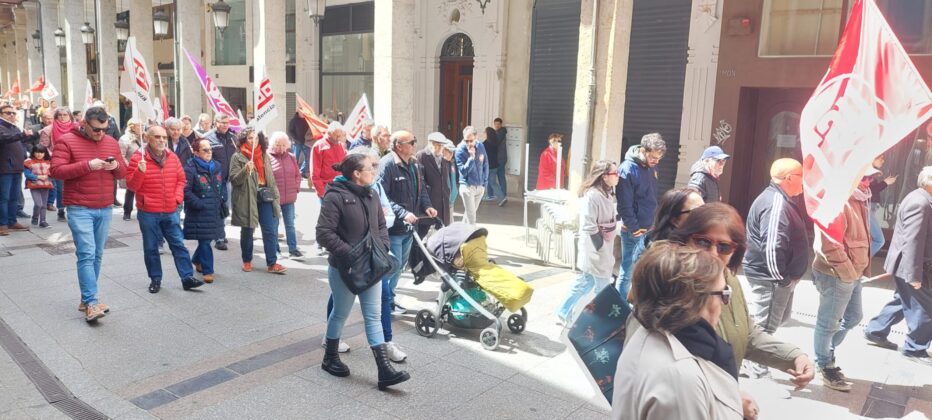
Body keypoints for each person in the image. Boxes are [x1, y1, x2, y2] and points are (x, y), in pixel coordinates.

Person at [667, 203, 814, 409]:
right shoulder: (669, 287)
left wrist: (794, 356)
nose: (713, 253)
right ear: (685, 240)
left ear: (734, 251)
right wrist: (730, 397)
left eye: (723, 247)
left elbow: (747, 334)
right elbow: (671, 370)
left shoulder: (730, 281)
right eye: (703, 242)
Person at [612, 242, 742, 420]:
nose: (724, 305)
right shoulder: (680, 378)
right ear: (693, 299)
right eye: (724, 295)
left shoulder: (652, 333)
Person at [316, 152, 411, 390]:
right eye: (370, 168)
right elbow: (324, 233)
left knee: (373, 315)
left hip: (372, 266)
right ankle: (330, 358)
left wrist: (382, 248)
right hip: (344, 268)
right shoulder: (335, 196)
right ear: (357, 174)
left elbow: (381, 225)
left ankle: (384, 370)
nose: (374, 171)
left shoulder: (372, 193)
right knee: (340, 313)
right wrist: (350, 254)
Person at [49, 106, 127, 322]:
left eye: (105, 129)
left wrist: (115, 166)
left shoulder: (111, 142)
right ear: (84, 124)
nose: (101, 133)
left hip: (105, 206)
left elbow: (122, 172)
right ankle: (91, 302)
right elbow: (56, 171)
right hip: (79, 206)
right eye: (96, 129)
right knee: (86, 253)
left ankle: (87, 299)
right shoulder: (66, 140)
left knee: (97, 254)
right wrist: (87, 165)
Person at [742, 158, 811, 379]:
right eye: (802, 177)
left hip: (775, 277)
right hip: (770, 277)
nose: (805, 182)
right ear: (789, 178)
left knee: (775, 320)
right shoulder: (776, 203)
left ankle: (746, 359)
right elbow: (772, 246)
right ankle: (758, 371)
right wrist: (781, 279)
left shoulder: (780, 199)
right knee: (766, 327)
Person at [864, 166, 932, 366]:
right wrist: (914, 275)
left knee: (903, 300)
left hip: (910, 265)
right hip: (913, 266)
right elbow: (913, 241)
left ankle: (876, 330)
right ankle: (914, 348)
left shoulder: (921, 199)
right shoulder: (920, 203)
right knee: (925, 308)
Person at [811, 174, 871, 391]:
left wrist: (858, 271)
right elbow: (830, 245)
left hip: (852, 273)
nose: (868, 181)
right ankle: (823, 363)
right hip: (838, 274)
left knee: (854, 316)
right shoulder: (836, 199)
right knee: (828, 323)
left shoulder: (859, 198)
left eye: (870, 177)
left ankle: (825, 351)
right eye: (864, 175)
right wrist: (847, 272)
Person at [126, 125, 203, 294]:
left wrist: (177, 198)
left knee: (178, 245)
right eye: (157, 137)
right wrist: (139, 171)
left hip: (170, 210)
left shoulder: (172, 157)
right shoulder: (139, 158)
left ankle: (187, 278)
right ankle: (155, 279)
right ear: (147, 138)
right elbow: (131, 186)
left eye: (164, 137)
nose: (162, 140)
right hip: (148, 212)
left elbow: (181, 180)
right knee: (151, 248)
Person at [379, 130, 437, 323]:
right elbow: (382, 197)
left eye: (414, 141)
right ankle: (384, 301)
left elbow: (421, 190)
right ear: (399, 146)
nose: (415, 145)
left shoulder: (414, 164)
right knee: (393, 266)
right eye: (411, 142)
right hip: (394, 228)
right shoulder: (387, 165)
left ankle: (389, 298)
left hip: (410, 228)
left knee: (400, 266)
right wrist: (403, 213)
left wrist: (427, 206)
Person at [556, 160, 618, 324]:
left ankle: (563, 312)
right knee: (602, 288)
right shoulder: (592, 196)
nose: (618, 176)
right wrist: (601, 246)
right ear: (604, 177)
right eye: (615, 173)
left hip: (601, 248)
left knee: (585, 282)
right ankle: (600, 322)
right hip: (594, 249)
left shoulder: (607, 194)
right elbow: (589, 225)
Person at [615, 132, 665, 299]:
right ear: (643, 150)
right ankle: (620, 306)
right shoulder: (627, 169)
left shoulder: (652, 168)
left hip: (648, 227)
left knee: (643, 271)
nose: (656, 162)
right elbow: (624, 205)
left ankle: (633, 303)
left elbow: (650, 197)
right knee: (627, 272)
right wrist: (635, 229)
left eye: (659, 158)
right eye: (653, 157)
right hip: (633, 230)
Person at [229, 128, 286, 274]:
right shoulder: (237, 157)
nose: (253, 141)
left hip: (265, 196)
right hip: (247, 197)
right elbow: (234, 180)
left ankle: (272, 263)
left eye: (255, 138)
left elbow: (270, 178)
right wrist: (245, 170)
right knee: (248, 230)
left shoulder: (265, 155)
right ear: (244, 140)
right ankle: (247, 261)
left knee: (270, 230)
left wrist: (276, 196)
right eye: (249, 138)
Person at [183, 137, 226, 285]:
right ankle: (208, 271)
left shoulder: (217, 166)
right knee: (205, 241)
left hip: (215, 209)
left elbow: (222, 184)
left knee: (209, 238)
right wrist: (200, 204)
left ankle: (196, 259)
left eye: (210, 149)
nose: (209, 152)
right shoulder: (190, 168)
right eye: (205, 150)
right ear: (196, 152)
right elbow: (186, 191)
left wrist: (223, 197)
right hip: (200, 211)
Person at [634, 187, 705, 261]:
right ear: (675, 220)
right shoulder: (665, 258)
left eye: (705, 209)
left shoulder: (705, 239)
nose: (704, 215)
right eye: (696, 211)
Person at [0, 103, 35, 235]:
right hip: (4, 168)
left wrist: (28, 141)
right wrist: (22, 135)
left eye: (13, 113)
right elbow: (5, 138)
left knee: (14, 197)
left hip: (16, 167)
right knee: (3, 198)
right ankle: (2, 224)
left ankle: (12, 221)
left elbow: (20, 143)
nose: (12, 115)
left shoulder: (14, 127)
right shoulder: (1, 127)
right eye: (8, 113)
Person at [203, 114, 237, 250]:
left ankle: (219, 231)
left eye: (227, 122)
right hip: (214, 180)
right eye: (222, 122)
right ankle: (219, 238)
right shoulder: (208, 138)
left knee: (224, 208)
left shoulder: (233, 138)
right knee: (218, 208)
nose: (225, 125)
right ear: (215, 122)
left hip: (229, 179)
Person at [269, 132, 303, 259]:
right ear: (273, 144)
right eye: (278, 145)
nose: (281, 148)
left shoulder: (291, 157)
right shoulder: (267, 157)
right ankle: (275, 249)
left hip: (289, 197)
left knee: (290, 224)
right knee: (274, 225)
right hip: (274, 198)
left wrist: (296, 187)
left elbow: (297, 175)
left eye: (284, 145)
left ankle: (293, 249)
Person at [416, 132, 454, 226]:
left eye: (442, 146)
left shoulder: (442, 157)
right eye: (438, 145)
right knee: (428, 229)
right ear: (431, 144)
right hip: (430, 202)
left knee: (443, 228)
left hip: (443, 202)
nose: (441, 148)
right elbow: (420, 181)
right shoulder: (422, 155)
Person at [44, 107, 74, 221]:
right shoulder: (48, 129)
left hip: (74, 161)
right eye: (60, 115)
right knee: (61, 188)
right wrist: (53, 155)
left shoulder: (76, 128)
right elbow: (43, 147)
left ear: (69, 116)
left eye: (65, 115)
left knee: (74, 187)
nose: (62, 117)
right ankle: (61, 210)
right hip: (58, 161)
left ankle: (73, 209)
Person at [454, 126, 489, 225]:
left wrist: (484, 183)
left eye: (471, 141)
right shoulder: (459, 150)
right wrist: (471, 158)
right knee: (472, 219)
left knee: (468, 216)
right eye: (466, 141)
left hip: (480, 186)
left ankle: (460, 232)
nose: (469, 143)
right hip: (468, 187)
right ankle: (473, 234)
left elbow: (486, 164)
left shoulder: (480, 146)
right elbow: (463, 171)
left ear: (476, 138)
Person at [866, 155, 897, 257]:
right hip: (867, 208)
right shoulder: (867, 173)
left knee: (870, 238)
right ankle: (862, 261)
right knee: (879, 240)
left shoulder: (871, 172)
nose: (883, 161)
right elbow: (870, 191)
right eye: (880, 158)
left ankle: (862, 260)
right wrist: (885, 183)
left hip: (870, 207)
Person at [311, 122, 348, 199]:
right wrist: (322, 192)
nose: (338, 138)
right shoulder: (319, 146)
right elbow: (314, 173)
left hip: (342, 187)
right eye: (337, 136)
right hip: (327, 188)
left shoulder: (341, 145)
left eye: (340, 135)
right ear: (329, 133)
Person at [119, 118, 144, 221]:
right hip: (131, 168)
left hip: (144, 167)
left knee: (143, 190)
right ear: (132, 127)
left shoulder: (144, 137)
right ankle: (127, 212)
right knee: (131, 190)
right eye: (139, 125)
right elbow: (121, 155)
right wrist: (130, 167)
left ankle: (142, 211)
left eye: (143, 125)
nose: (142, 127)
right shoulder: (124, 139)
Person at [23, 145, 53, 228]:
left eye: (41, 152)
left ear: (45, 153)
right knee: (38, 204)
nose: (39, 154)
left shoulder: (48, 162)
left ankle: (43, 221)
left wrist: (48, 176)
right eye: (37, 152)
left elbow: (52, 172)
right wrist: (38, 177)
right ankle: (35, 217)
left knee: (44, 205)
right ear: (33, 153)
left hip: (46, 185)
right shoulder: (29, 162)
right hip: (34, 186)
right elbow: (27, 174)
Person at [482, 126, 508, 206]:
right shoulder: (495, 143)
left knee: (482, 182)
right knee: (493, 183)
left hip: (487, 166)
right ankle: (502, 198)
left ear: (487, 134)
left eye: (485, 132)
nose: (483, 133)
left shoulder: (485, 144)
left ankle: (478, 199)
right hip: (494, 165)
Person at [287, 111, 311, 178]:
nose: (303, 113)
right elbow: (290, 131)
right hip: (297, 143)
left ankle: (302, 172)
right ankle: (293, 173)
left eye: (303, 112)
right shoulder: (294, 120)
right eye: (301, 112)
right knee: (295, 158)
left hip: (306, 142)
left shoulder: (308, 120)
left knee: (308, 157)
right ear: (298, 112)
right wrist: (295, 139)